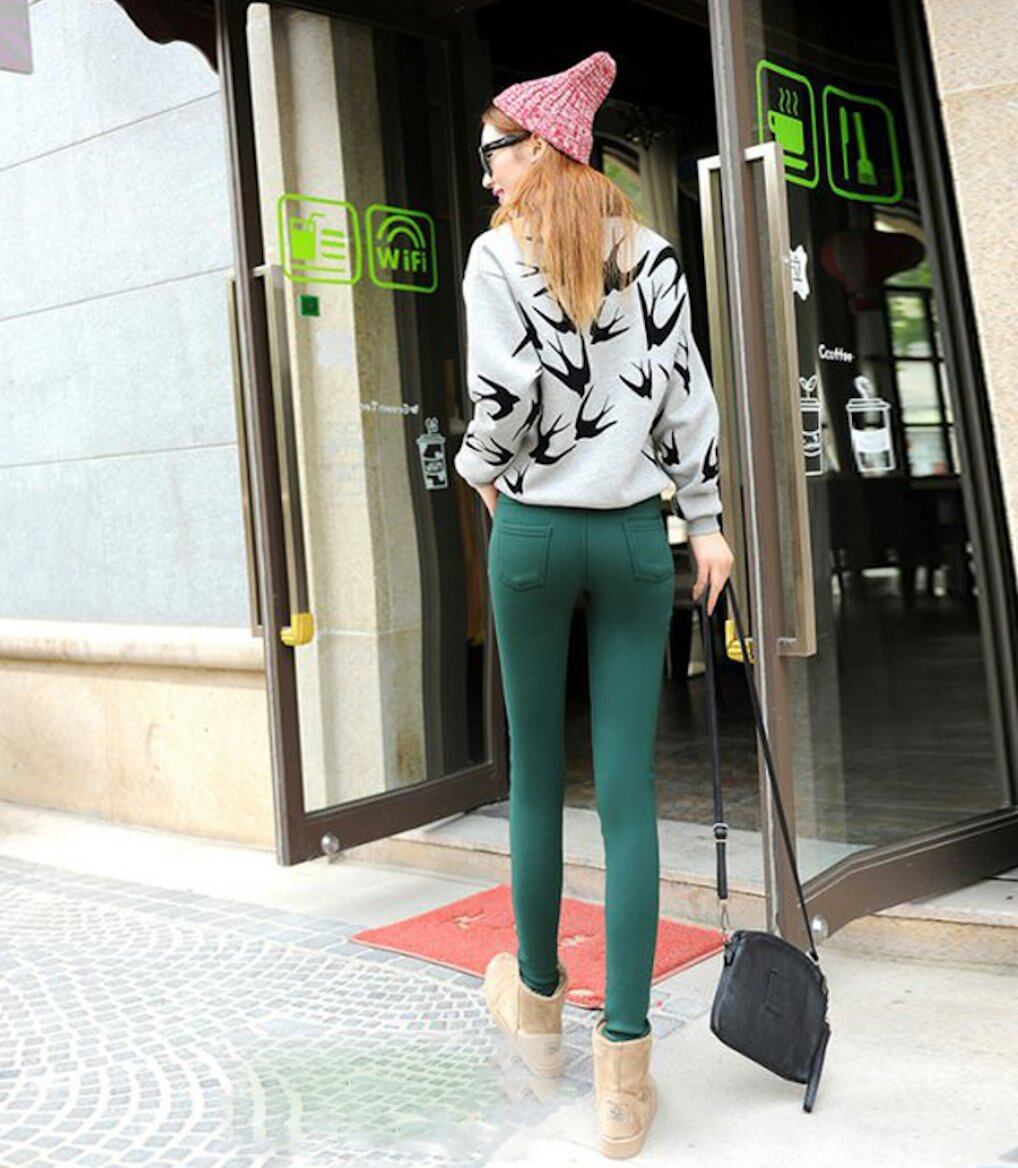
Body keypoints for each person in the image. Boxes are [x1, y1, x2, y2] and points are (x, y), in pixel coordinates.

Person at [453, 50, 734, 1159]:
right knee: (626, 797)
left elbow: (507, 394)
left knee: (534, 775)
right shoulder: (650, 253)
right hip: (628, 538)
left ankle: (536, 1014)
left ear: (539, 149)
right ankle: (624, 1073)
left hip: (533, 533)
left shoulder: (497, 256)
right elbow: (686, 398)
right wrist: (706, 521)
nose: (485, 172)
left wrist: (478, 467)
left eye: (493, 151)